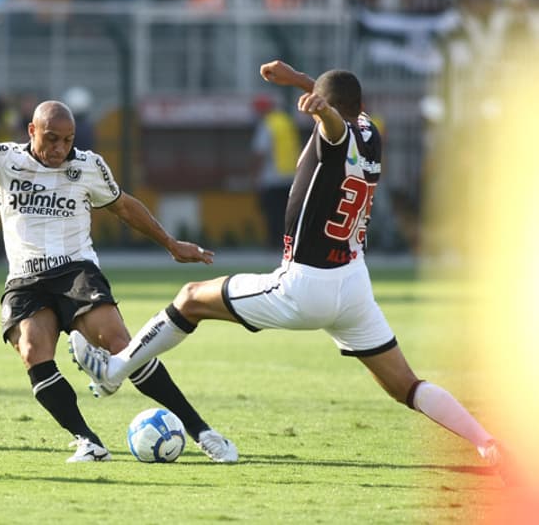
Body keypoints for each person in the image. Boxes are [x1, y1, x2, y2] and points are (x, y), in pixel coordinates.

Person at [70, 59, 513, 481]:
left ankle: (113, 372)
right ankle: (486, 442)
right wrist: (302, 81)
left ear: (327, 109)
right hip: (353, 287)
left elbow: (335, 129)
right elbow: (345, 115)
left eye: (318, 105)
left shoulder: (334, 134)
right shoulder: (371, 132)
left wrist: (321, 109)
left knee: (190, 298)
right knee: (406, 386)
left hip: (304, 285)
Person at [0, 79, 238, 463]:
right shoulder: (3, 159)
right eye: (51, 138)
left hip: (75, 272)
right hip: (25, 281)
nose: (59, 149)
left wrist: (171, 243)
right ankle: (89, 441)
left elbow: (124, 206)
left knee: (122, 344)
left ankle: (202, 431)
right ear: (31, 130)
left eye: (67, 140)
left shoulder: (88, 165)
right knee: (34, 352)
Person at [250, 93, 299, 249]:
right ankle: (291, 243)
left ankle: (275, 244)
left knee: (273, 213)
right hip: (291, 176)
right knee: (289, 214)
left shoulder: (267, 125)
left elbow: (260, 153)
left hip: (272, 177)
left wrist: (255, 176)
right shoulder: (286, 121)